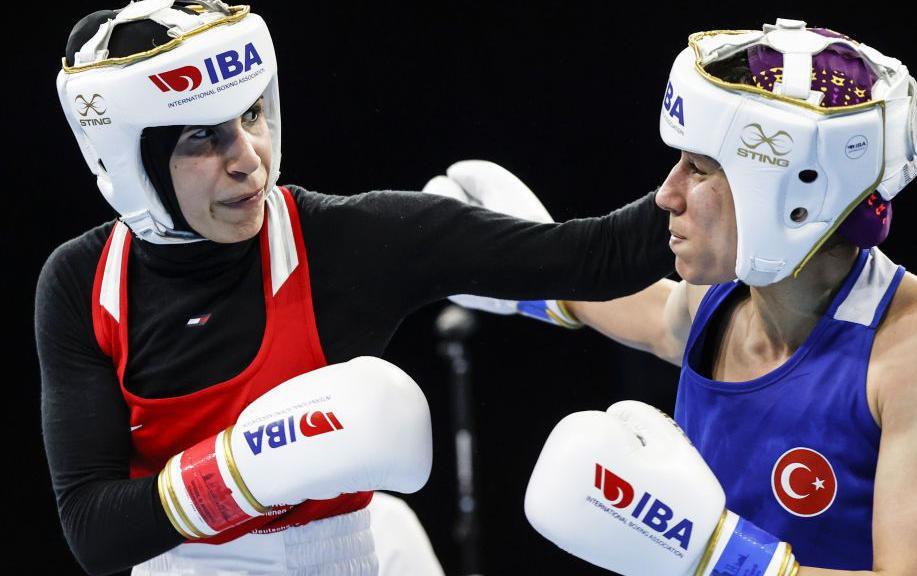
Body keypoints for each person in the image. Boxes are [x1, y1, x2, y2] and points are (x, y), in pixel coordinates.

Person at [37, 1, 675, 574]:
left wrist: (715, 170)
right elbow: (93, 532)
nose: (248, 158)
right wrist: (252, 465)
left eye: (252, 114)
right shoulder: (83, 282)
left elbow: (597, 256)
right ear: (129, 164)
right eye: (203, 135)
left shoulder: (345, 242)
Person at [441, 19, 917, 575]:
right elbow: (658, 321)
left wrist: (709, 553)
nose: (667, 194)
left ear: (791, 193)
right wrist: (518, 271)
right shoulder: (716, 298)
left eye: (699, 169)